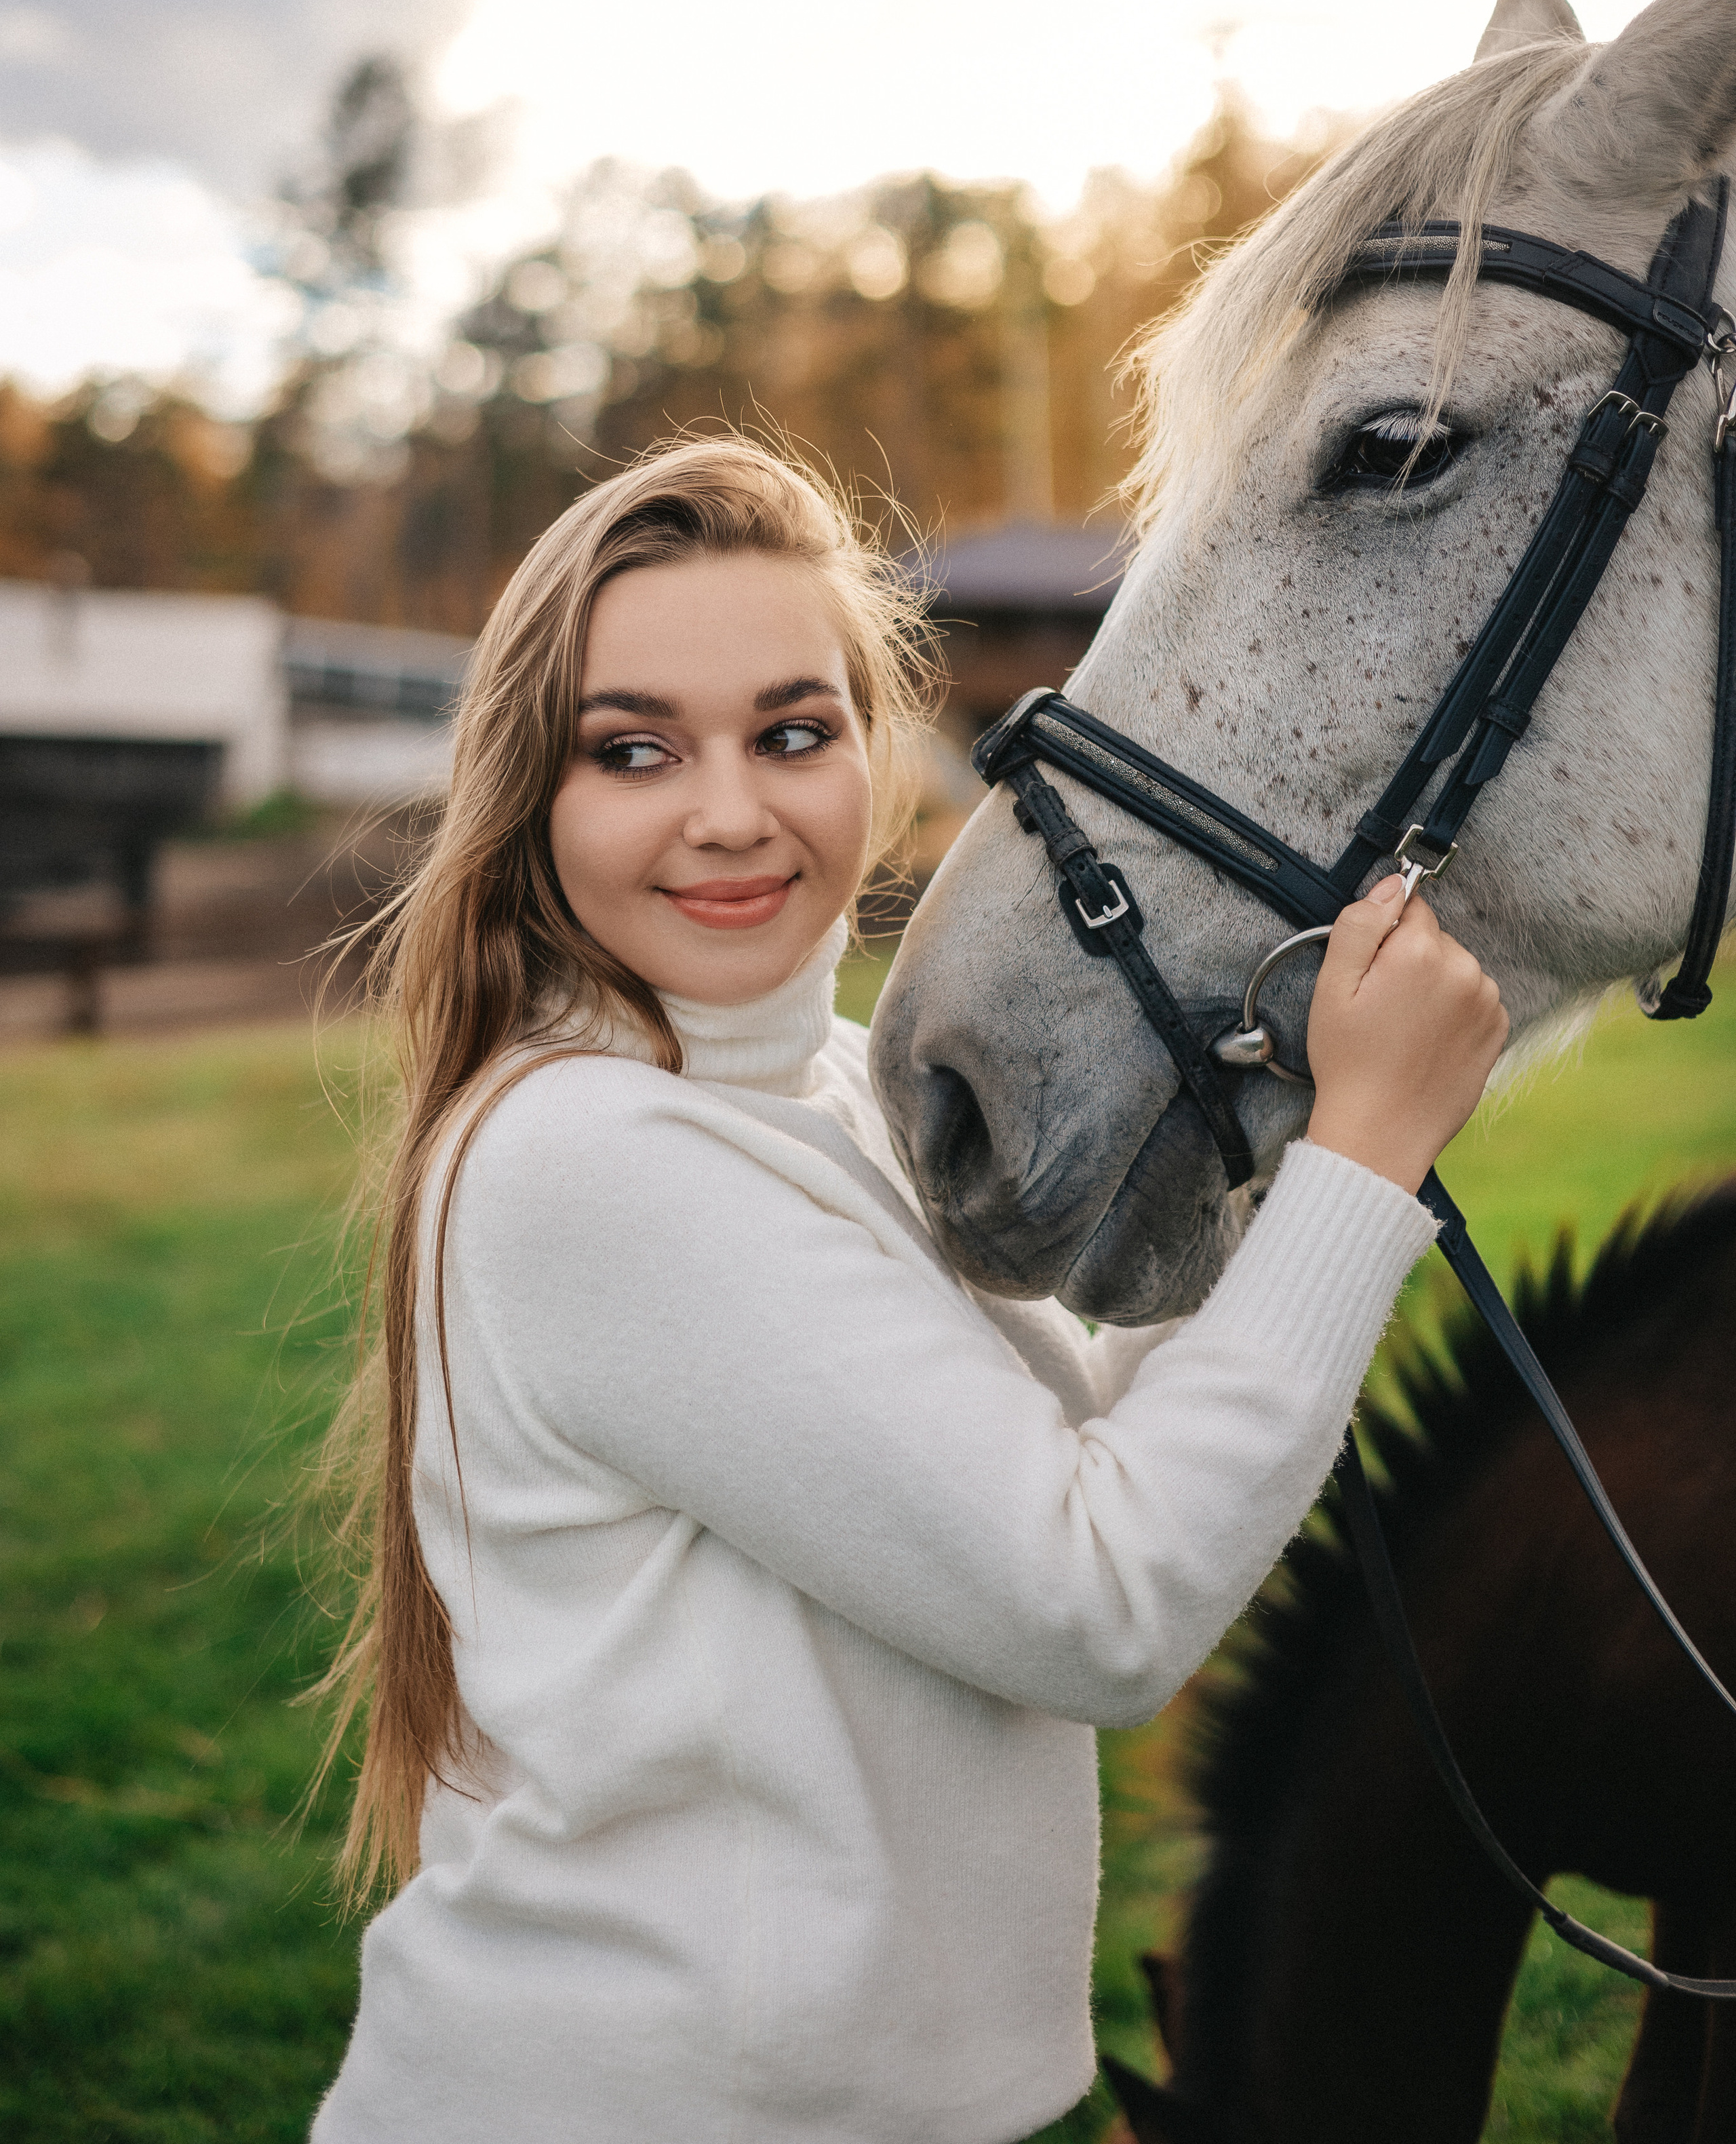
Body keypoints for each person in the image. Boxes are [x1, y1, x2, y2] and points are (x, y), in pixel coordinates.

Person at [309, 434, 1507, 2144]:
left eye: (791, 733)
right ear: (533, 800)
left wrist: (1287, 1135)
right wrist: (1365, 1157)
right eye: (633, 750)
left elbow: (1085, 1452)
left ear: (878, 752)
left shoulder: (839, 1087)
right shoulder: (589, 1162)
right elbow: (1099, 1591)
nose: (730, 810)